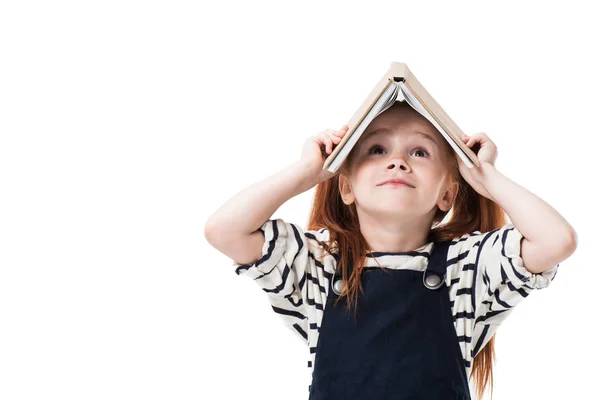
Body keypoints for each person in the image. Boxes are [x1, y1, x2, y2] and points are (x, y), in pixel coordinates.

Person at [204, 101, 577, 399]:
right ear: (346, 187)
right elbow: (224, 230)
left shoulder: (467, 271)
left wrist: (487, 177)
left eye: (420, 152)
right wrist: (306, 172)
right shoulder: (317, 267)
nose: (396, 161)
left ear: (448, 193)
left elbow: (555, 241)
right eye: (377, 149)